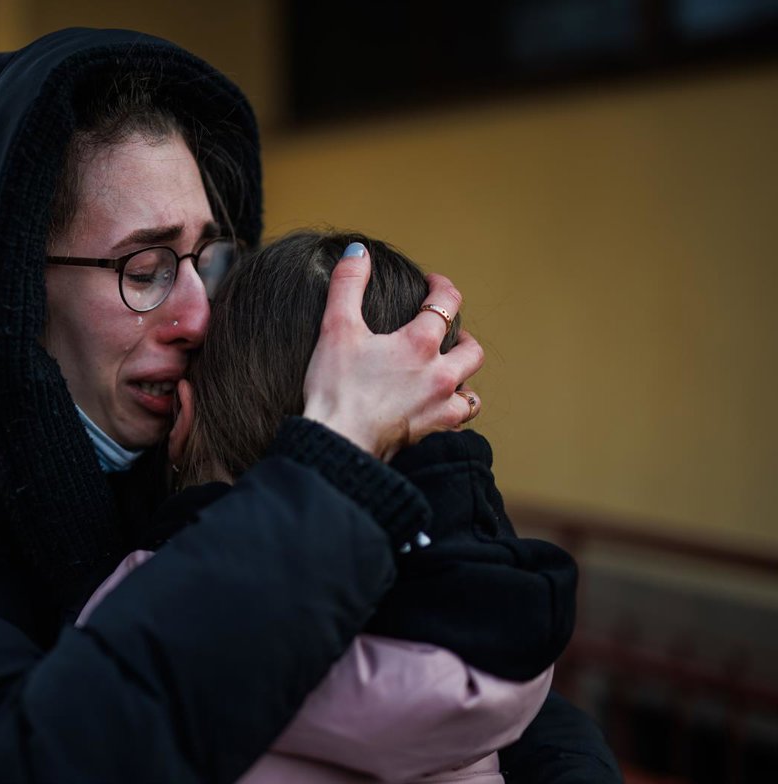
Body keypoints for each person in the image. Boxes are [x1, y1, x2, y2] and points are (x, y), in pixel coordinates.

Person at [0, 28, 620, 783]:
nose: (200, 314)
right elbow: (39, 758)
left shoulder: (240, 477)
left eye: (209, 257)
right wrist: (335, 464)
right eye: (145, 268)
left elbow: (492, 707)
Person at [76, 231, 581, 783]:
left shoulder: (135, 619)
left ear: (183, 417)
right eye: (145, 271)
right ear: (442, 409)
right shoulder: (499, 637)